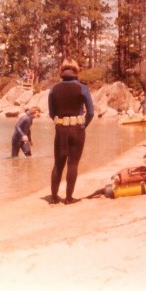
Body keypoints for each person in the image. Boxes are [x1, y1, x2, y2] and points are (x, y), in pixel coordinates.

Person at [48, 58, 95, 205]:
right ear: (76, 71)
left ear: (62, 70)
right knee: (73, 164)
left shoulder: (53, 89)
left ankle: (54, 197)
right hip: (77, 129)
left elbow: (52, 113)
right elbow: (91, 113)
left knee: (58, 164)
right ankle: (68, 198)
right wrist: (82, 126)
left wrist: (60, 125)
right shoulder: (82, 88)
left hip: (61, 129)